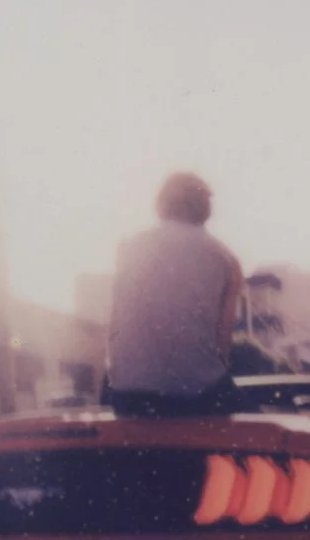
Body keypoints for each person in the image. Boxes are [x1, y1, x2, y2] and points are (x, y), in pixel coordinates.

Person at [103, 172, 244, 417]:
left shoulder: (131, 248)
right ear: (206, 208)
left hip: (129, 394)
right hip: (195, 395)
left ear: (161, 204)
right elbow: (222, 343)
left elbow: (114, 326)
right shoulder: (226, 260)